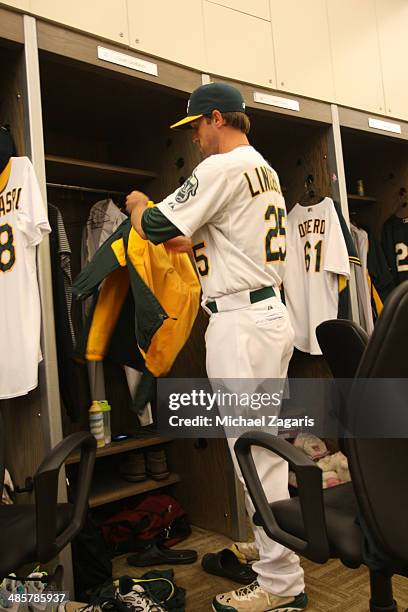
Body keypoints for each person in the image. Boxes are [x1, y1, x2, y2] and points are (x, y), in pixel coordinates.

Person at [125, 82, 307, 612]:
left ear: (220, 119)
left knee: (254, 455)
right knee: (258, 448)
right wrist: (183, 234)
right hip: (266, 314)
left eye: (199, 126)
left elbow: (158, 225)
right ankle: (273, 544)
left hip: (242, 323)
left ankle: (280, 583)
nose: (196, 138)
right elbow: (209, 235)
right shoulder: (262, 167)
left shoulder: (222, 167)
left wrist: (139, 203)